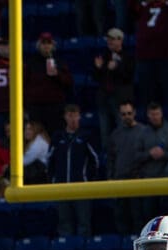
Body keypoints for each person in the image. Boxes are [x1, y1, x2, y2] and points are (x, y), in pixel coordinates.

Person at [48, 104, 99, 236]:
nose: (73, 119)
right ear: (65, 117)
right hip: (62, 187)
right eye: (70, 115)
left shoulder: (86, 136)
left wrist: (88, 180)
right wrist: (54, 180)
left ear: (79, 116)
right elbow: (49, 161)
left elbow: (95, 161)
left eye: (75, 115)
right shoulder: (58, 137)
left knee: (84, 223)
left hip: (81, 188)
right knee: (64, 223)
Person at [109, 102, 149, 235]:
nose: (127, 116)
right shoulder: (116, 134)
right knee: (121, 216)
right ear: (120, 116)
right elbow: (111, 158)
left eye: (129, 113)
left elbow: (147, 156)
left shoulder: (144, 131)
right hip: (120, 180)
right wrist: (111, 177)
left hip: (137, 180)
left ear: (135, 113)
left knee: (138, 216)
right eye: (123, 114)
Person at [92, 28, 135, 148]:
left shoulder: (128, 57)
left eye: (112, 39)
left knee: (122, 128)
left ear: (120, 40)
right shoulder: (103, 56)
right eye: (108, 39)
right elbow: (96, 78)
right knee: (104, 130)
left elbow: (129, 77)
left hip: (120, 100)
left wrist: (117, 67)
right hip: (104, 98)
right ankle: (107, 156)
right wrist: (98, 68)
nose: (109, 42)